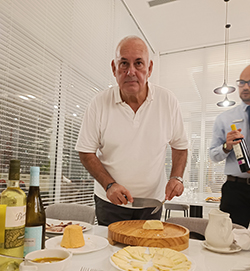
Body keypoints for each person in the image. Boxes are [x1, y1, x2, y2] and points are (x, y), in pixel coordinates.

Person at [75, 36, 188, 226]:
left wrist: (176, 177)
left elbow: (180, 146)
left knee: (146, 254)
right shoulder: (99, 103)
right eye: (124, 64)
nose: (131, 72)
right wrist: (109, 185)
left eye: (138, 63)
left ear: (149, 68)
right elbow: (86, 151)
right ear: (114, 68)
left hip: (152, 204)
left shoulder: (167, 101)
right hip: (109, 201)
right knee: (110, 254)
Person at [210, 64, 250, 228]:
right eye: (241, 82)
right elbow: (213, 155)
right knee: (230, 239)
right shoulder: (225, 119)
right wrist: (226, 146)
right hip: (235, 189)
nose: (245, 87)